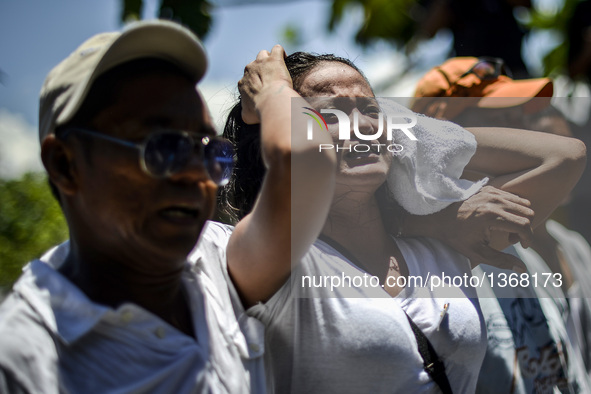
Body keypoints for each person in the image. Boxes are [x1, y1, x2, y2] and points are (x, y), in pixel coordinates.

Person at [215, 50, 586, 393]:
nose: (359, 125)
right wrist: (275, 92)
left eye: (372, 110)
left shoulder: (436, 251)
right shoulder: (272, 259)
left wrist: (406, 133)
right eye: (328, 115)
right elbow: (310, 160)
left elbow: (564, 157)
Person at [0, 20, 269, 393]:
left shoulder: (225, 260)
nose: (196, 175)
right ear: (65, 164)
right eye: (163, 147)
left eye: (211, 152)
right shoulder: (23, 363)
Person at [412, 55, 591, 392]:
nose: (524, 132)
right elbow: (567, 155)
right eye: (503, 119)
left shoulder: (519, 234)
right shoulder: (434, 245)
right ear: (442, 133)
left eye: (518, 118)